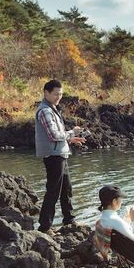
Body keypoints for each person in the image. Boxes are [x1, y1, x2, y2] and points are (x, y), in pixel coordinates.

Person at [35, 79, 86, 234]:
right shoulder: (45, 111)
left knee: (66, 189)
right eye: (56, 94)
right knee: (53, 191)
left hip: (60, 154)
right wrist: (72, 132)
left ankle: (69, 219)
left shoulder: (52, 109)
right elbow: (54, 135)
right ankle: (45, 226)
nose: (59, 97)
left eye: (61, 94)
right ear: (46, 93)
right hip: (53, 156)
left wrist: (71, 139)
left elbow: (57, 136)